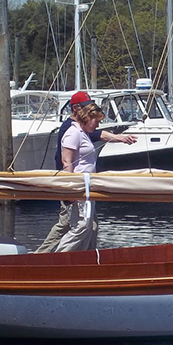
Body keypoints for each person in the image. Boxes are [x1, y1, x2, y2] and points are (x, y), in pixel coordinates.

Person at [35, 91, 136, 253]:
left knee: (90, 226)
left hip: (85, 187)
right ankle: (44, 257)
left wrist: (120, 138)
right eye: (88, 111)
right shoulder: (70, 129)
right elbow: (66, 161)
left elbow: (97, 133)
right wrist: (69, 190)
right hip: (74, 187)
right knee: (70, 225)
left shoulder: (83, 129)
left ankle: (86, 259)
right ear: (77, 110)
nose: (95, 121)